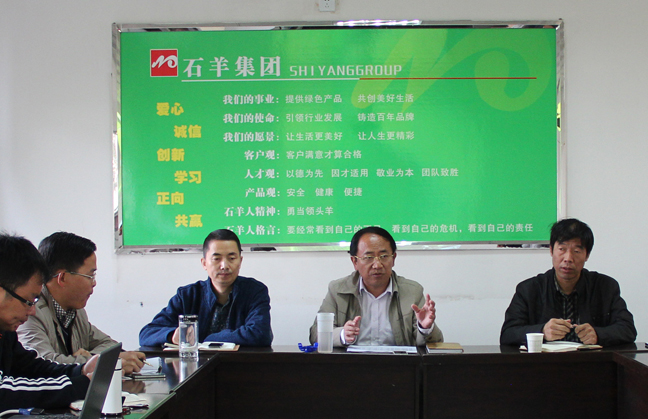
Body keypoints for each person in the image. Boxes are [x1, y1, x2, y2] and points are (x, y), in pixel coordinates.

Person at [17, 232, 145, 374]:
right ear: (63, 278)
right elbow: (41, 364)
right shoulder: (29, 311)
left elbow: (109, 345)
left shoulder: (76, 311)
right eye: (90, 275)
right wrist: (94, 361)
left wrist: (90, 357)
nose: (94, 283)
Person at [500, 218, 636, 346]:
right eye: (562, 249)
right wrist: (542, 331)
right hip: (545, 361)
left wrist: (598, 334)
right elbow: (508, 334)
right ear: (551, 250)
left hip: (591, 361)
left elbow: (628, 329)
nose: (568, 258)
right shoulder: (529, 289)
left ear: (587, 255)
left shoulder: (605, 287)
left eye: (576, 251)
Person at [0, 233, 98, 411]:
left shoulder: (5, 331)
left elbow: (31, 368)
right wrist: (80, 385)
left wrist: (81, 370)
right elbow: (4, 393)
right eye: (28, 301)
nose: (32, 310)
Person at [309, 226, 443, 347]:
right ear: (355, 261)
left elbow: (436, 343)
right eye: (368, 257)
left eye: (384, 256)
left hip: (397, 364)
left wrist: (424, 328)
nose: (377, 265)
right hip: (352, 364)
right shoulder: (337, 290)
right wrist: (343, 335)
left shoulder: (412, 291)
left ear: (393, 258)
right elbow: (315, 335)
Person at [139, 229, 273, 347]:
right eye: (216, 259)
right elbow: (147, 334)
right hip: (194, 365)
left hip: (238, 365)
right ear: (204, 263)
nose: (224, 266)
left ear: (240, 261)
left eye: (232, 258)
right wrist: (172, 335)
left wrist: (206, 339)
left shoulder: (254, 291)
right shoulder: (187, 295)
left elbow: (260, 334)